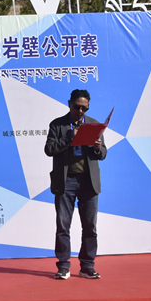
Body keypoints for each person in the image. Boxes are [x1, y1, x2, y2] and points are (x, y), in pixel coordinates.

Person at [44, 89, 107, 280]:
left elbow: (103, 154)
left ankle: (87, 266)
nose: (81, 111)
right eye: (77, 107)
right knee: (63, 226)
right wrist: (70, 138)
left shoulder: (94, 124)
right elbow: (49, 149)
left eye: (84, 108)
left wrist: (97, 147)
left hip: (89, 181)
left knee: (90, 226)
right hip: (66, 181)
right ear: (69, 104)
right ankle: (63, 266)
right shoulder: (58, 125)